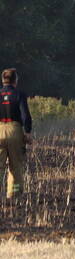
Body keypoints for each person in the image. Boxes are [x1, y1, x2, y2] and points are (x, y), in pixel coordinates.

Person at [0, 68, 31, 199]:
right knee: (16, 167)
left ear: (3, 80)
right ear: (15, 81)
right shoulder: (19, 94)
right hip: (15, 131)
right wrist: (27, 131)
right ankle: (14, 194)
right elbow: (25, 115)